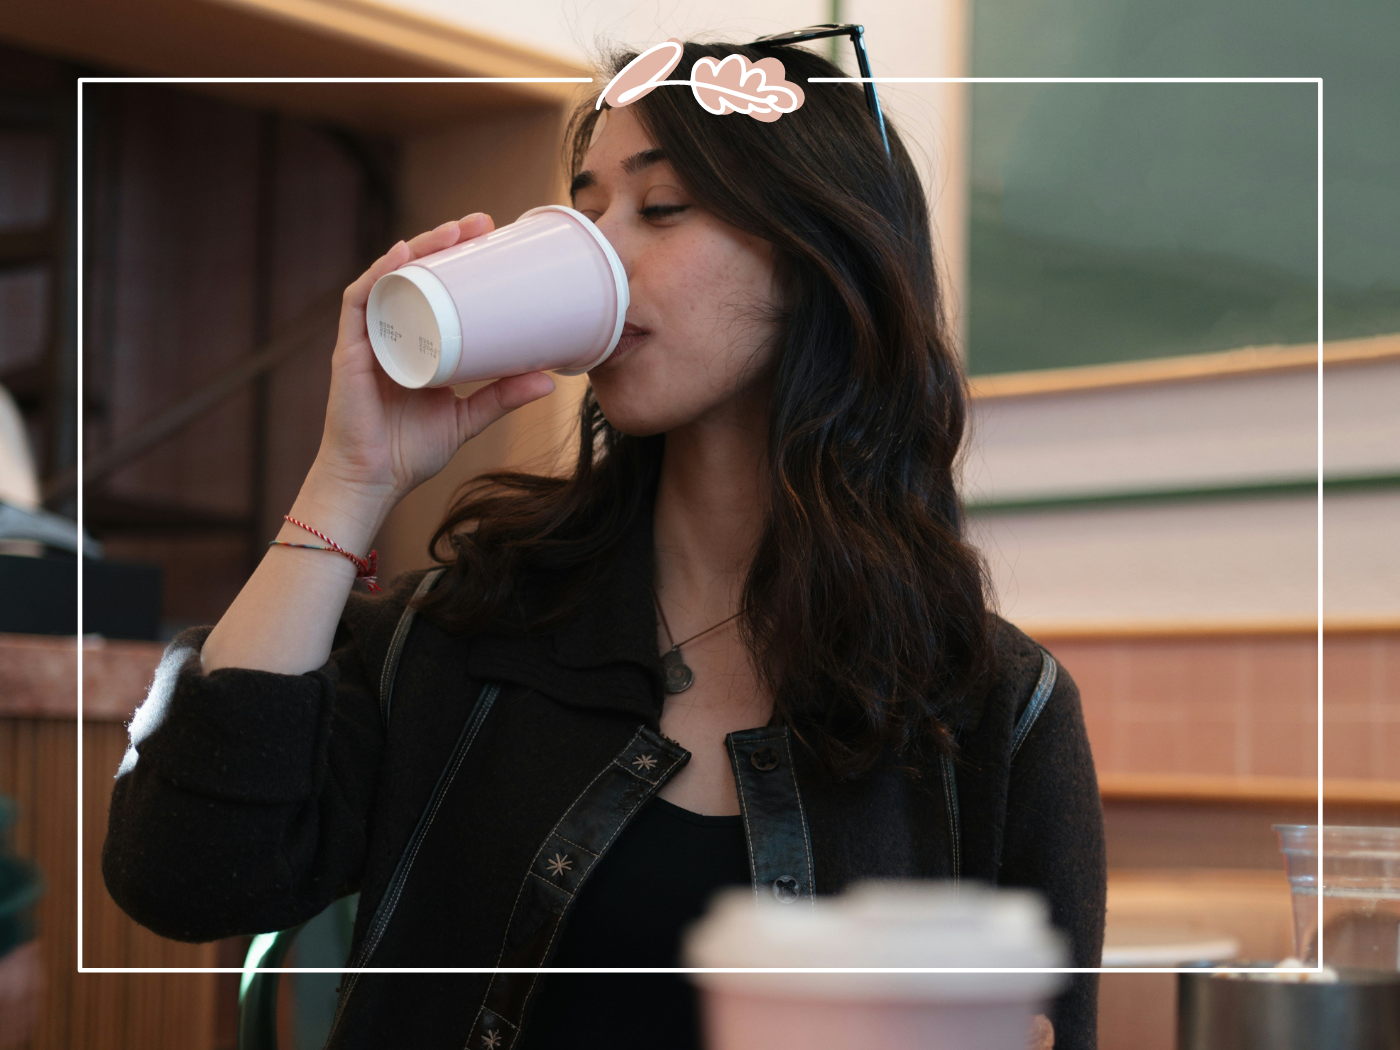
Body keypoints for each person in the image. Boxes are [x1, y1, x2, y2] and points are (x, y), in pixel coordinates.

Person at [102, 38, 1106, 1050]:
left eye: (658, 209)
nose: (602, 254)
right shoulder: (462, 633)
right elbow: (187, 876)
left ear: (816, 258)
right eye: (586, 212)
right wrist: (349, 481)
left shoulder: (990, 714)